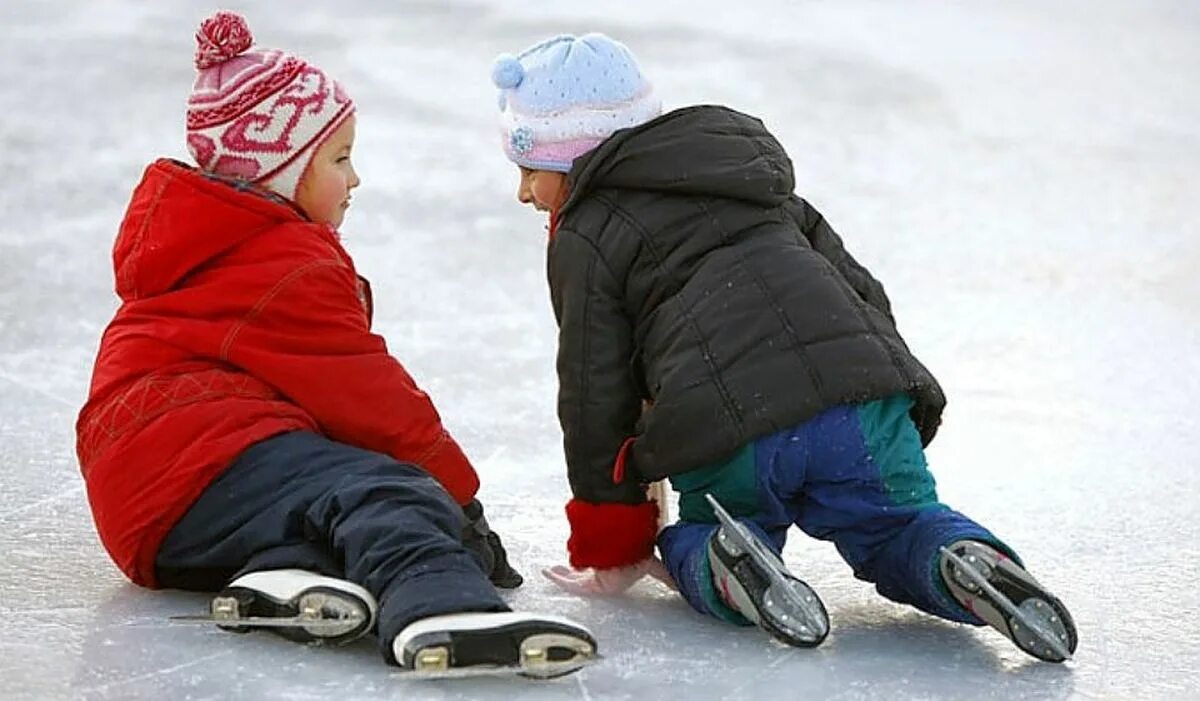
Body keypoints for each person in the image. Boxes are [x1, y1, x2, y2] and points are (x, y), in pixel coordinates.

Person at [489, 33, 1078, 663]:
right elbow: (862, 294)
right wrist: (901, 403)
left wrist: (615, 539)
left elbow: (593, 390)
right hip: (861, 400)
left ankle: (726, 563)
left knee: (711, 531)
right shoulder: (757, 184)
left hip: (727, 431)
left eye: (531, 171)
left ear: (577, 164)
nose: (524, 193)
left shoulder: (587, 234)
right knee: (898, 528)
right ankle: (960, 560)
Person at [75, 12, 595, 676]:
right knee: (385, 491)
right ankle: (444, 606)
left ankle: (283, 580)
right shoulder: (286, 261)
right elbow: (371, 398)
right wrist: (457, 497)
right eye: (340, 158)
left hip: (148, 504)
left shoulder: (204, 244)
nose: (356, 180)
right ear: (278, 172)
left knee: (319, 503)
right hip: (199, 457)